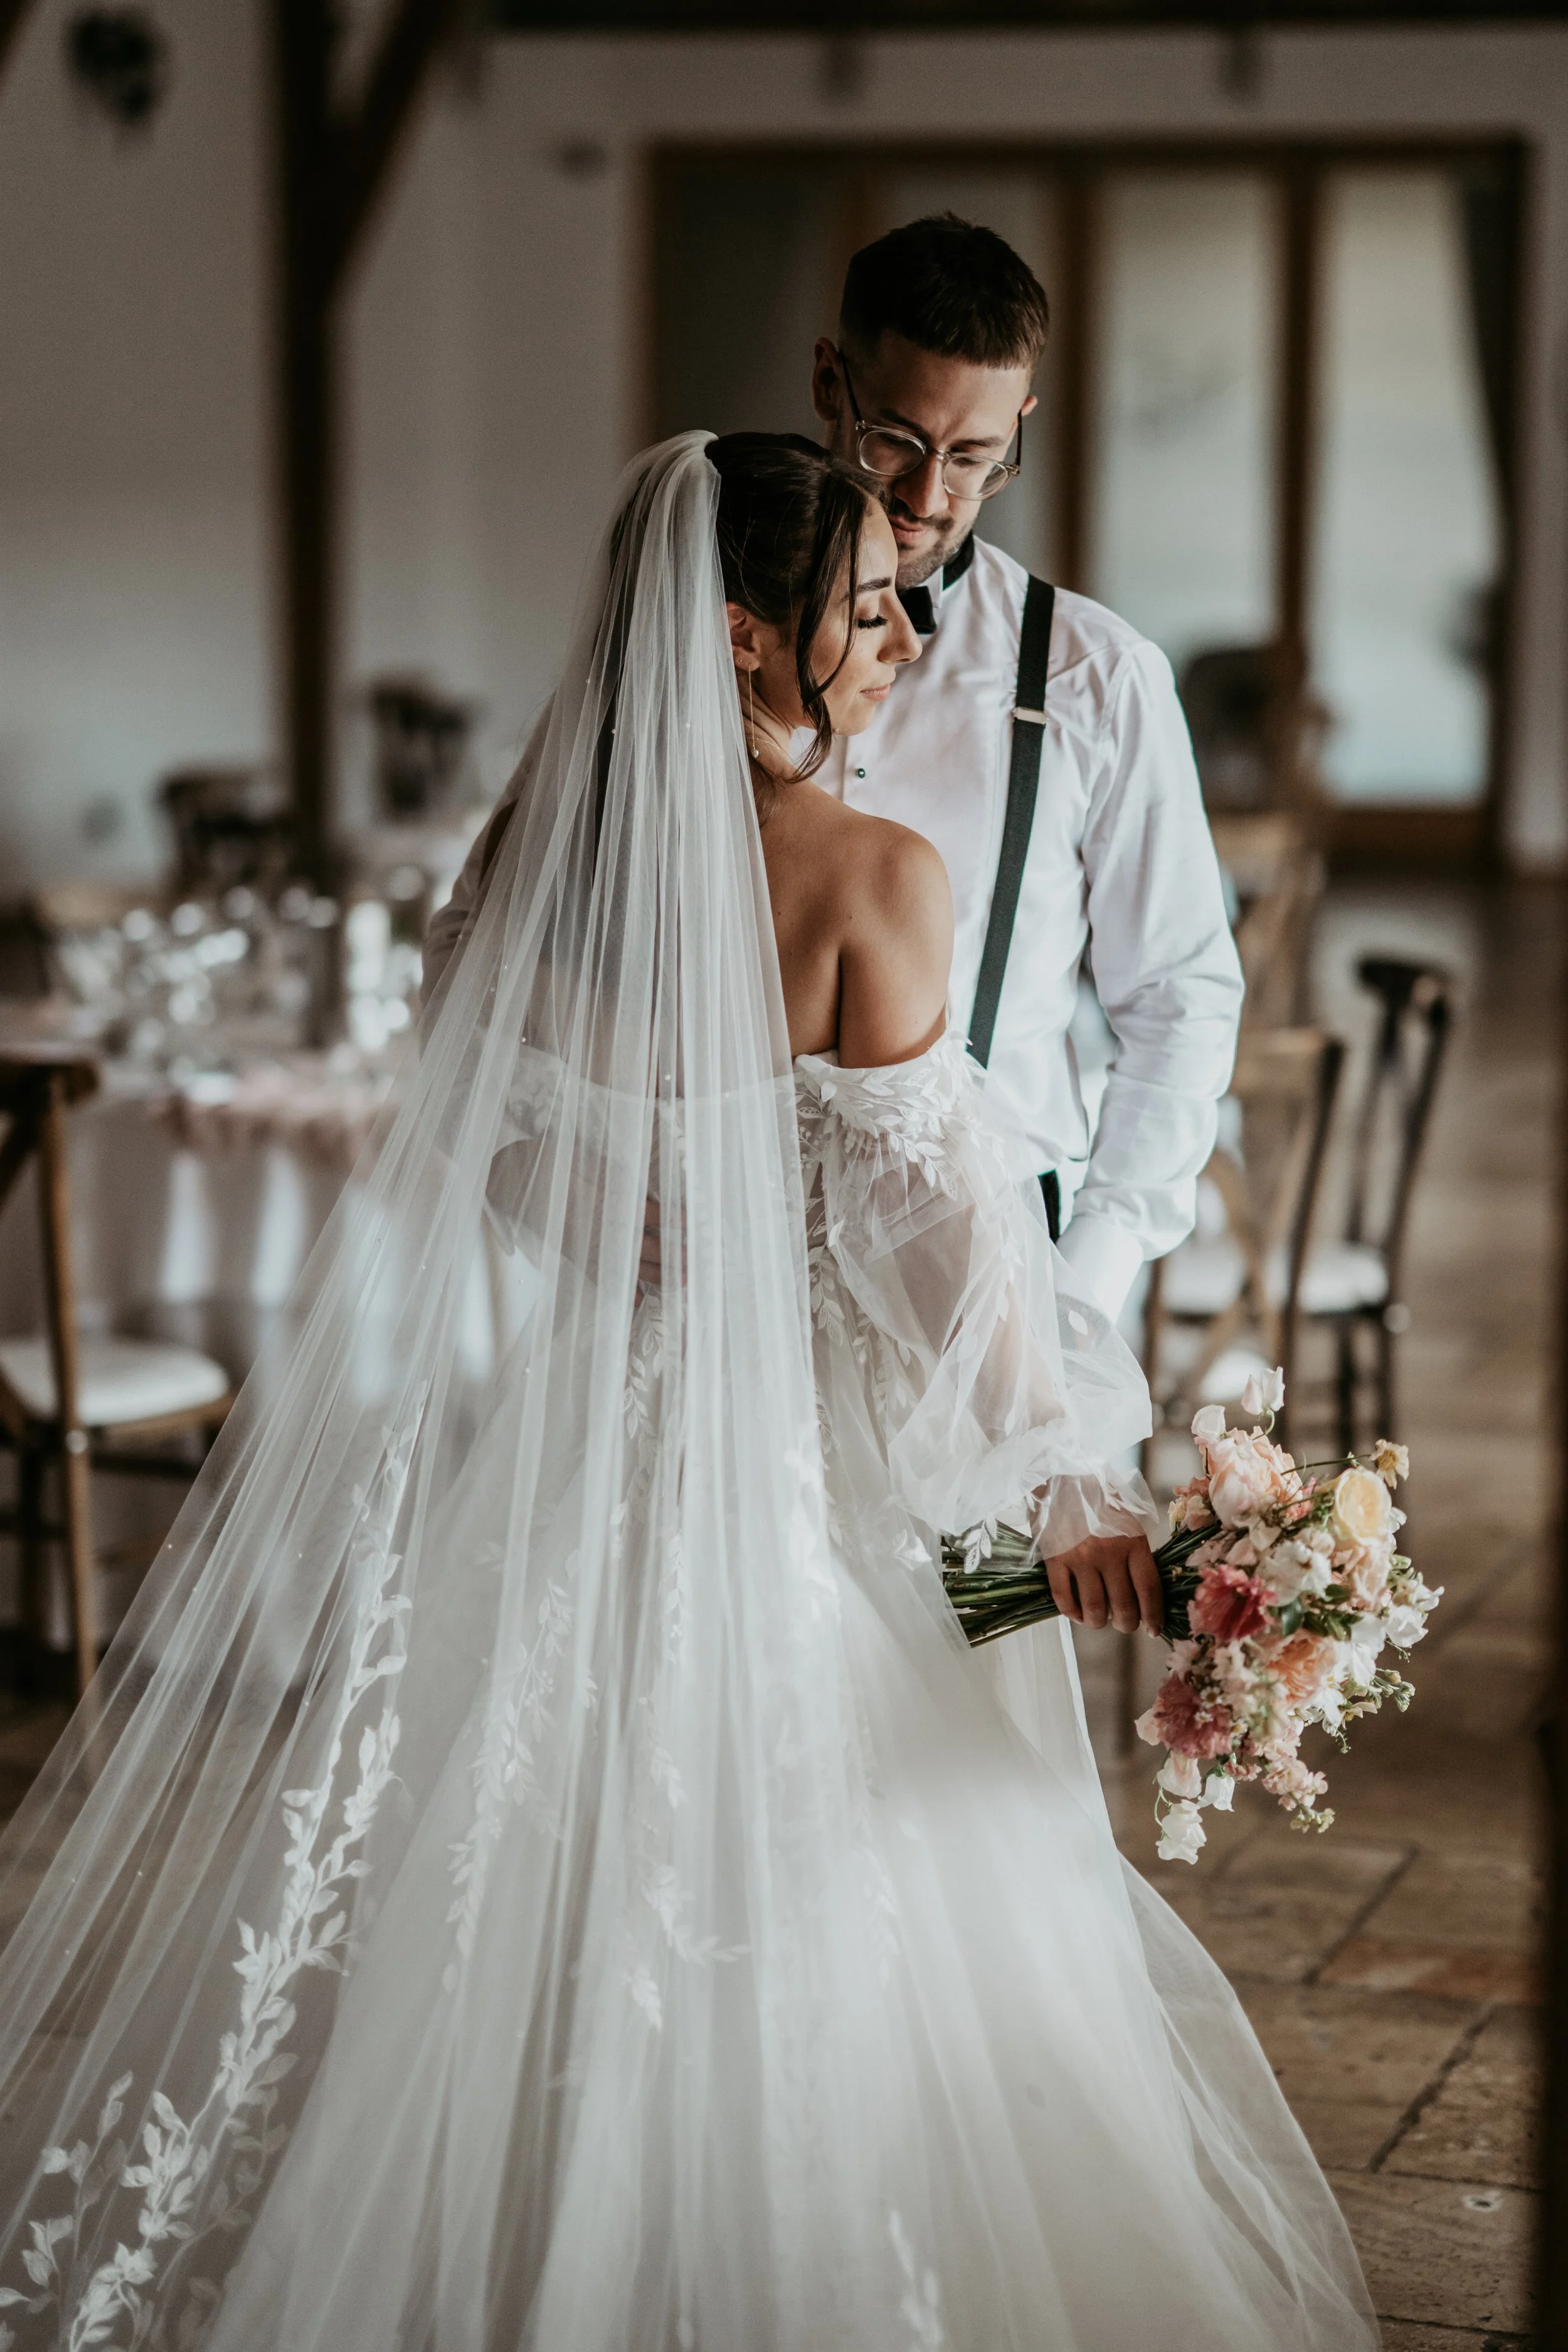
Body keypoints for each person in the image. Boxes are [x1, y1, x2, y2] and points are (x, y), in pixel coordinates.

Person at [0, 435, 1372, 2351]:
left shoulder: (529, 866)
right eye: (863, 607)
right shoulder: (872, 881)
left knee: (515, 1907)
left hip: (592, 1464)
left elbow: (485, 1147)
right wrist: (1089, 1484)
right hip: (820, 1491)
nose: (900, 635)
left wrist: (665, 1241)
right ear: (741, 639)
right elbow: (958, 1302)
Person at [426, 215, 1244, 1647]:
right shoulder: (656, 681)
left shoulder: (1098, 679)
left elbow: (1180, 998)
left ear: (1019, 431)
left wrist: (1079, 1289)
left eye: (975, 457)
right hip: (701, 1338)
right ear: (827, 381)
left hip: (997, 1304)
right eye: (894, 442)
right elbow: (468, 986)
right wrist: (562, 1187)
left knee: (921, 1739)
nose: (929, 497)